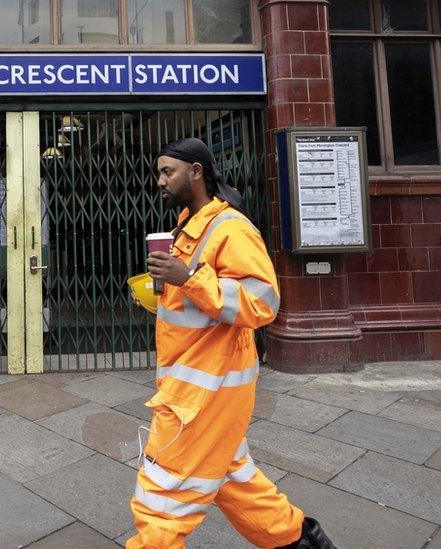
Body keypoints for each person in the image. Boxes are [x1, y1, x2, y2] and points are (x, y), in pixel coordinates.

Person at [127, 138, 336, 549]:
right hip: (200, 385)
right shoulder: (190, 224)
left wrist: (186, 278)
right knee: (234, 479)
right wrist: (163, 293)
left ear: (197, 172)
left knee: (161, 497)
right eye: (158, 173)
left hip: (204, 393)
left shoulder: (231, 228)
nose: (160, 181)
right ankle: (303, 542)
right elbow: (201, 300)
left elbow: (262, 301)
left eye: (168, 172)